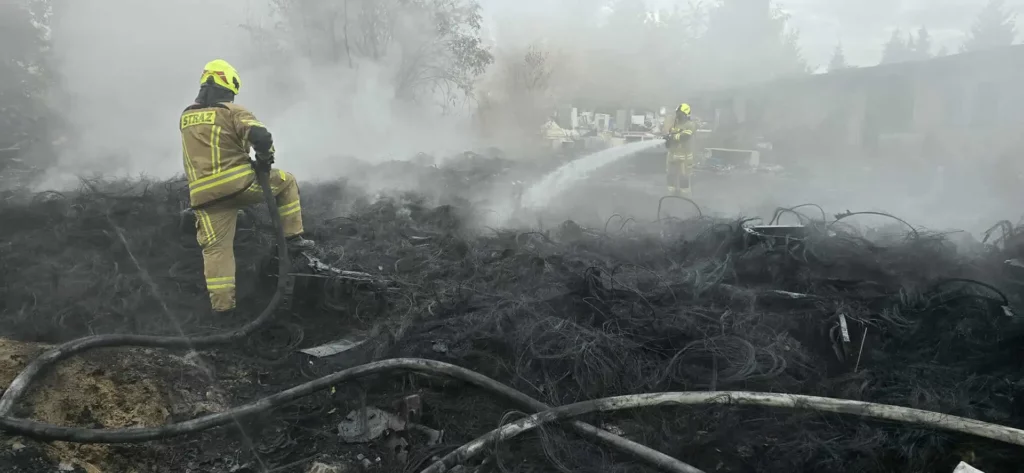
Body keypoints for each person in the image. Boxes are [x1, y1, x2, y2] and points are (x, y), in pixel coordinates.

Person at [180, 59, 314, 315]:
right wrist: (264, 159)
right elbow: (261, 136)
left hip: (204, 197)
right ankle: (293, 239)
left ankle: (223, 311)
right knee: (287, 181)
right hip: (238, 184)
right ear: (228, 85)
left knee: (217, 251)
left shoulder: (186, 117)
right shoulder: (232, 111)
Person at [663, 103, 697, 196]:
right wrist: (667, 138)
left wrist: (672, 137)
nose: (677, 115)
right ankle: (670, 193)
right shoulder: (675, 124)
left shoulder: (690, 125)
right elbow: (670, 134)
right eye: (677, 113)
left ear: (685, 114)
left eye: (680, 113)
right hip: (672, 154)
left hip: (684, 156)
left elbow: (685, 136)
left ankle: (685, 195)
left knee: (684, 176)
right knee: (670, 174)